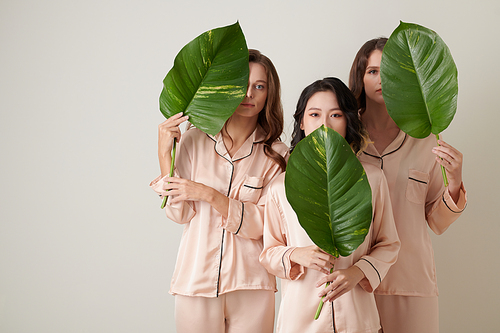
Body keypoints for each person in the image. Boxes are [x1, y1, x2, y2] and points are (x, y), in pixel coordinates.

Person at [150, 49, 288, 333]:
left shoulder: (277, 155)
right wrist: (166, 154)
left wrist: (209, 195)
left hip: (251, 283)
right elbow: (178, 213)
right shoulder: (193, 141)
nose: (249, 94)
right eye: (242, 85)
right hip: (196, 279)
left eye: (259, 86)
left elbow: (266, 225)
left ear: (268, 94)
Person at [259, 77, 400, 333]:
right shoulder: (280, 186)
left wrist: (358, 272)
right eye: (314, 114)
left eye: (335, 115)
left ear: (348, 120)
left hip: (359, 320)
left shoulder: (372, 179)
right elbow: (268, 253)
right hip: (300, 323)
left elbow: (389, 244)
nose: (324, 124)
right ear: (302, 122)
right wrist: (295, 255)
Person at [349, 37, 467, 333]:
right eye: (373, 71)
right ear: (360, 77)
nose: (381, 79)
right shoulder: (344, 138)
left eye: (389, 71)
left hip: (411, 281)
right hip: (356, 280)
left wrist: (454, 182)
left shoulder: (427, 140)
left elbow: (436, 222)